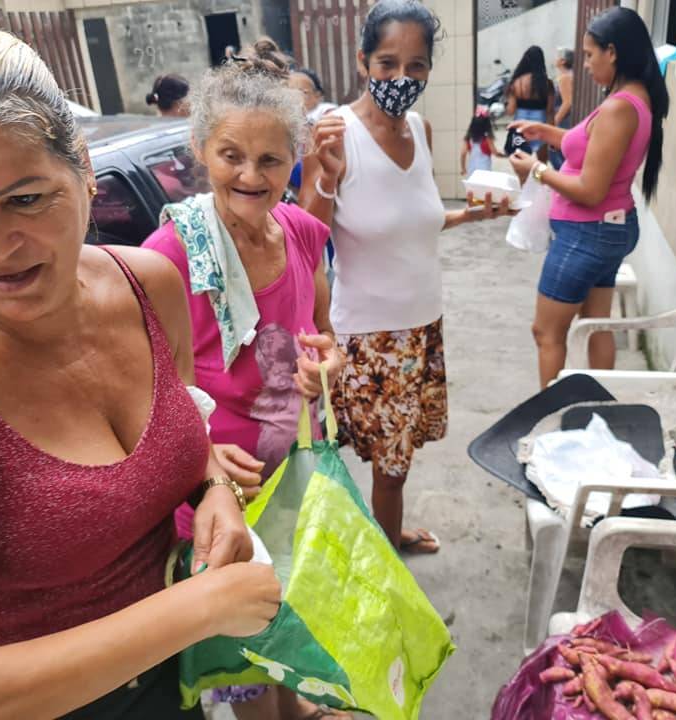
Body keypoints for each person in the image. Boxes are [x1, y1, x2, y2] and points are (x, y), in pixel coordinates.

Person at [0, 26, 280, 719]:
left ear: (84, 170)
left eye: (24, 199)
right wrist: (199, 609)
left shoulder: (150, 285)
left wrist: (215, 489)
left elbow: (189, 436)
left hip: (169, 688)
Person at [142, 47, 346, 720]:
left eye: (270, 160)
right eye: (231, 155)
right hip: (217, 497)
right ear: (201, 149)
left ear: (295, 158)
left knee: (286, 611)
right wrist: (199, 455)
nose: (251, 176)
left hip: (290, 476)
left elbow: (321, 333)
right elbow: (140, 390)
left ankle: (299, 706)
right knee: (244, 653)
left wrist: (326, 364)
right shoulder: (170, 256)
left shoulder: (302, 232)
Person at [301, 0, 509, 557]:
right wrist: (328, 177)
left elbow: (415, 220)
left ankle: (385, 536)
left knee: (396, 462)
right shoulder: (334, 134)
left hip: (422, 329)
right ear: (362, 60)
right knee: (388, 470)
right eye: (387, 63)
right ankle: (385, 562)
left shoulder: (421, 128)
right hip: (371, 339)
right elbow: (304, 241)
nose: (401, 77)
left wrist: (472, 215)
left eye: (416, 66)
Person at [508, 7, 669, 389]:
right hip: (606, 230)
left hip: (587, 233)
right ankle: (598, 405)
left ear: (612, 52)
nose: (585, 64)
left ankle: (552, 415)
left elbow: (591, 190)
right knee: (596, 325)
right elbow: (590, 147)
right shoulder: (632, 98)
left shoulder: (619, 108)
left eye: (589, 54)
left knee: (546, 332)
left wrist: (537, 169)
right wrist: (546, 132)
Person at [506, 45, 555, 161]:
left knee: (520, 159)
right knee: (541, 163)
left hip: (520, 123)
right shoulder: (547, 83)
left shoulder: (516, 82)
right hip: (540, 122)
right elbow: (550, 111)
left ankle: (523, 174)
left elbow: (511, 111)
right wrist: (552, 134)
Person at [550, 47, 575, 170]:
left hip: (563, 122)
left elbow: (567, 102)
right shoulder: (570, 75)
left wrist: (554, 122)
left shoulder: (564, 77)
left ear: (563, 61)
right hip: (567, 121)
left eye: (557, 56)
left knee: (556, 155)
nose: (555, 59)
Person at [460, 110, 505, 176]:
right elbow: (495, 153)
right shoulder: (487, 139)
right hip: (484, 169)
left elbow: (463, 154)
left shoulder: (468, 139)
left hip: (472, 170)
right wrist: (505, 155)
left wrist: (463, 168)